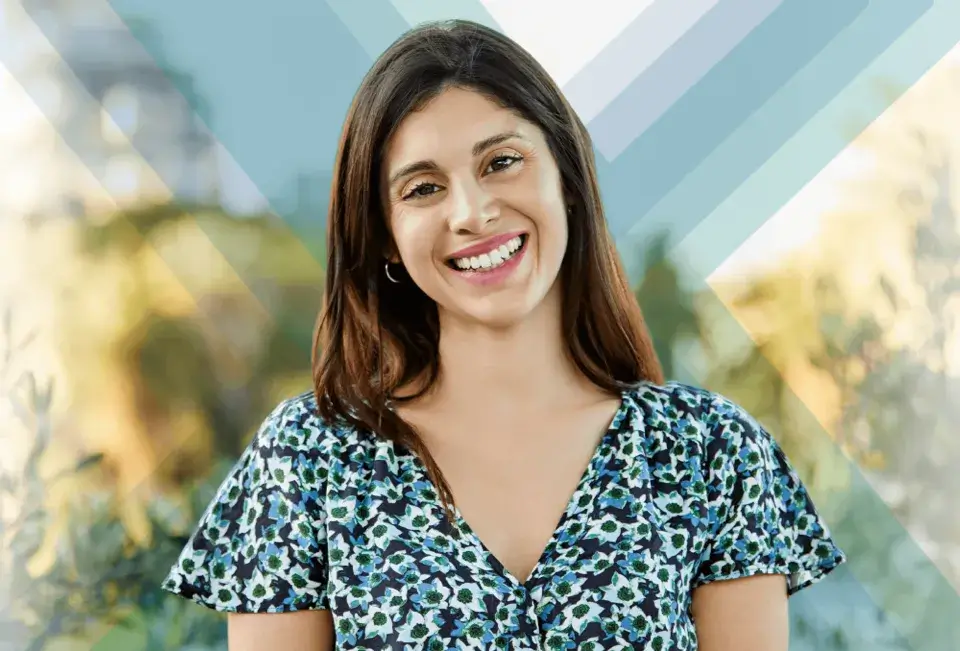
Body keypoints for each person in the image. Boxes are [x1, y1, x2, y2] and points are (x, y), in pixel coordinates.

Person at [162, 18, 845, 650]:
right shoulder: (307, 464)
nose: (472, 211)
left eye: (501, 162)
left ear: (566, 179)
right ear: (387, 240)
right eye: (423, 189)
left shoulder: (710, 453)